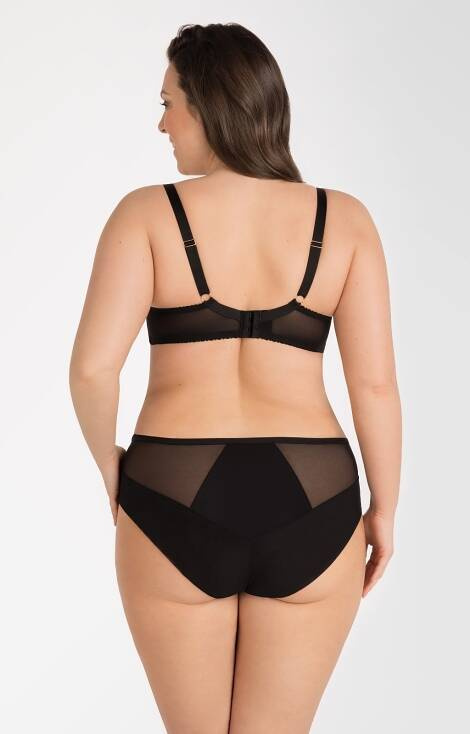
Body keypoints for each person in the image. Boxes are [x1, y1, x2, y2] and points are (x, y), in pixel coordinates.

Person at [69, 22, 401, 734]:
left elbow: (93, 370)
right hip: (315, 497)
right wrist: (385, 507)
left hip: (171, 487)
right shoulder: (344, 220)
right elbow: (374, 386)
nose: (162, 124)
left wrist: (110, 467)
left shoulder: (146, 214)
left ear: (210, 102)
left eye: (169, 103)